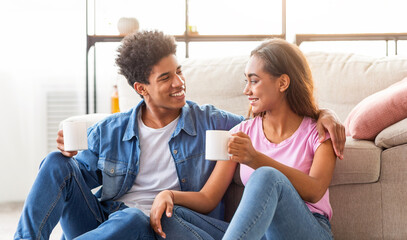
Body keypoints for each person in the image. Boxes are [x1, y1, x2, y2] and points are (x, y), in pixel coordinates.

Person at [15, 31, 343, 240]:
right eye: (166, 78)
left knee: (136, 218)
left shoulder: (213, 123)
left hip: (144, 225)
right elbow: (74, 178)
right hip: (108, 223)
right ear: (141, 89)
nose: (178, 83)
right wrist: (67, 154)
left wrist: (323, 114)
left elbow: (289, 127)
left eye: (179, 72)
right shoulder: (110, 130)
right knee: (56, 163)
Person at [150, 38, 337, 239]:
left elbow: (316, 190)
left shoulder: (318, 131)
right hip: (257, 234)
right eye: (246, 81)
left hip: (308, 230)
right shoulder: (241, 132)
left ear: (283, 83)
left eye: (254, 81)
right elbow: (208, 197)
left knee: (266, 176)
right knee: (170, 216)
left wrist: (255, 159)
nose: (246, 90)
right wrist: (168, 194)